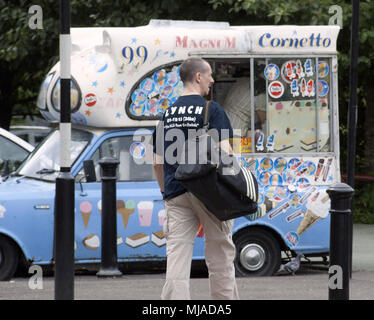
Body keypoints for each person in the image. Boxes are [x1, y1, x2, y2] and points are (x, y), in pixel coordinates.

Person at [153, 57, 240, 300]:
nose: (213, 80)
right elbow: (226, 155)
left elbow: (157, 163)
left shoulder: (166, 115)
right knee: (220, 254)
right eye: (210, 74)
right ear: (198, 77)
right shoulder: (212, 110)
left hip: (175, 193)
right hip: (210, 193)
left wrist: (165, 194)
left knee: (177, 259)